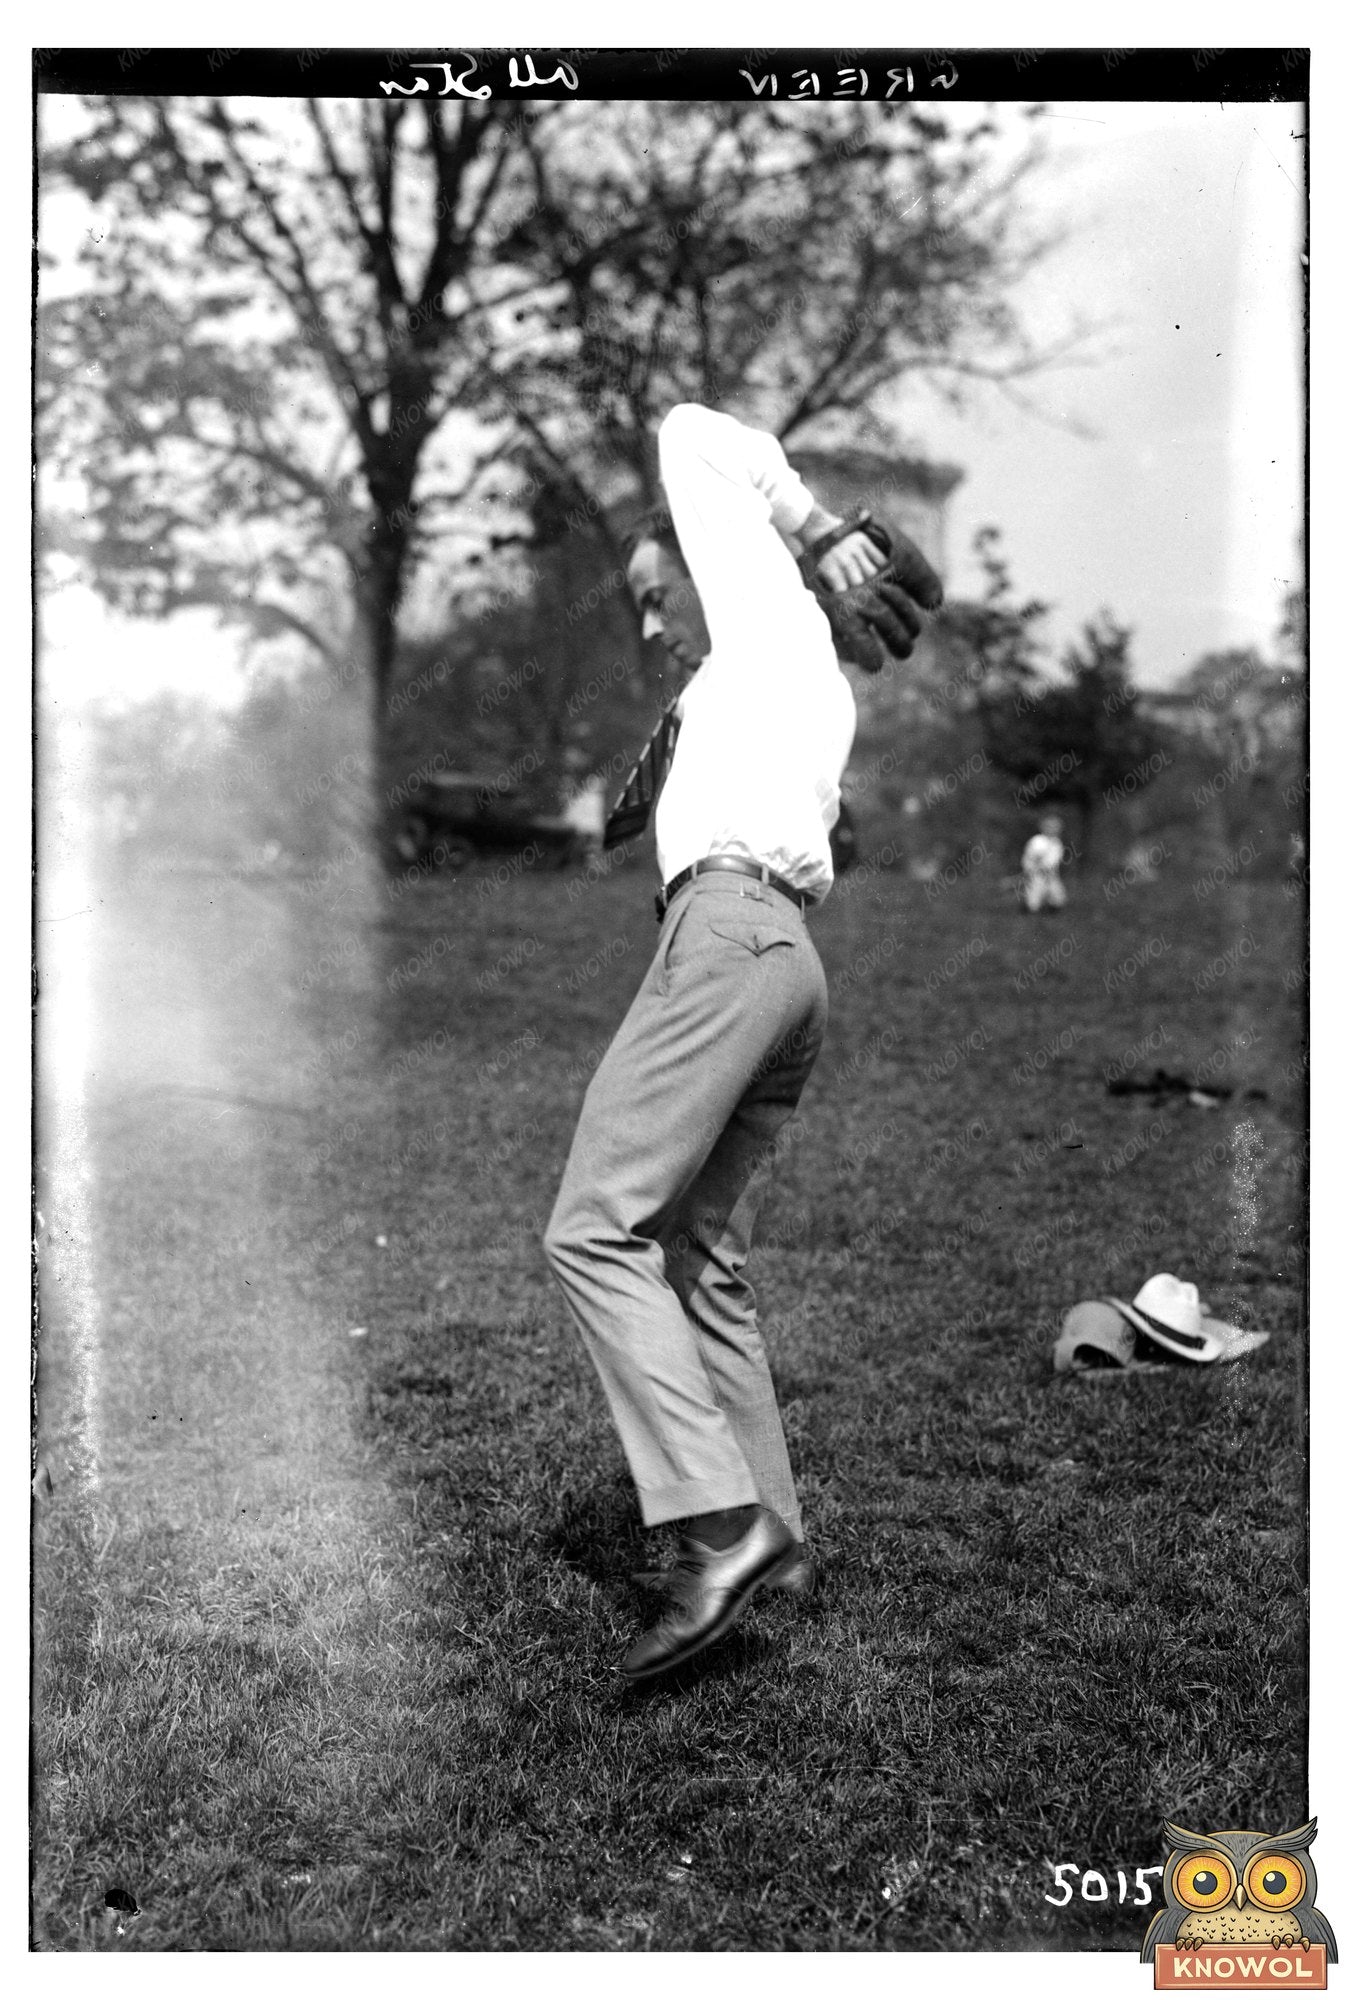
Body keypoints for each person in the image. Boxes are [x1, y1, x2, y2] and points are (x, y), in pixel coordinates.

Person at [544, 402, 941, 1680]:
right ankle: (782, 1534)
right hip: (782, 962)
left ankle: (719, 1524)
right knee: (700, 1249)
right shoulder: (769, 677)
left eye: (661, 592)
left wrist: (813, 531)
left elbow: (689, 431)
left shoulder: (769, 617)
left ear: (723, 573)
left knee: (595, 1226)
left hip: (729, 936)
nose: (654, 621)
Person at [1021, 813, 1067, 913]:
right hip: (1036, 873)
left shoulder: (1057, 843)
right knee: (1035, 892)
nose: (1053, 830)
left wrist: (1049, 867)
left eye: (1056, 827)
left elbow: (1056, 859)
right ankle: (1031, 910)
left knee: (1057, 894)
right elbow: (1030, 856)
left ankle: (1053, 910)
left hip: (1051, 874)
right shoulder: (1037, 841)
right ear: (1043, 827)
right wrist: (1031, 867)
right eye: (1050, 827)